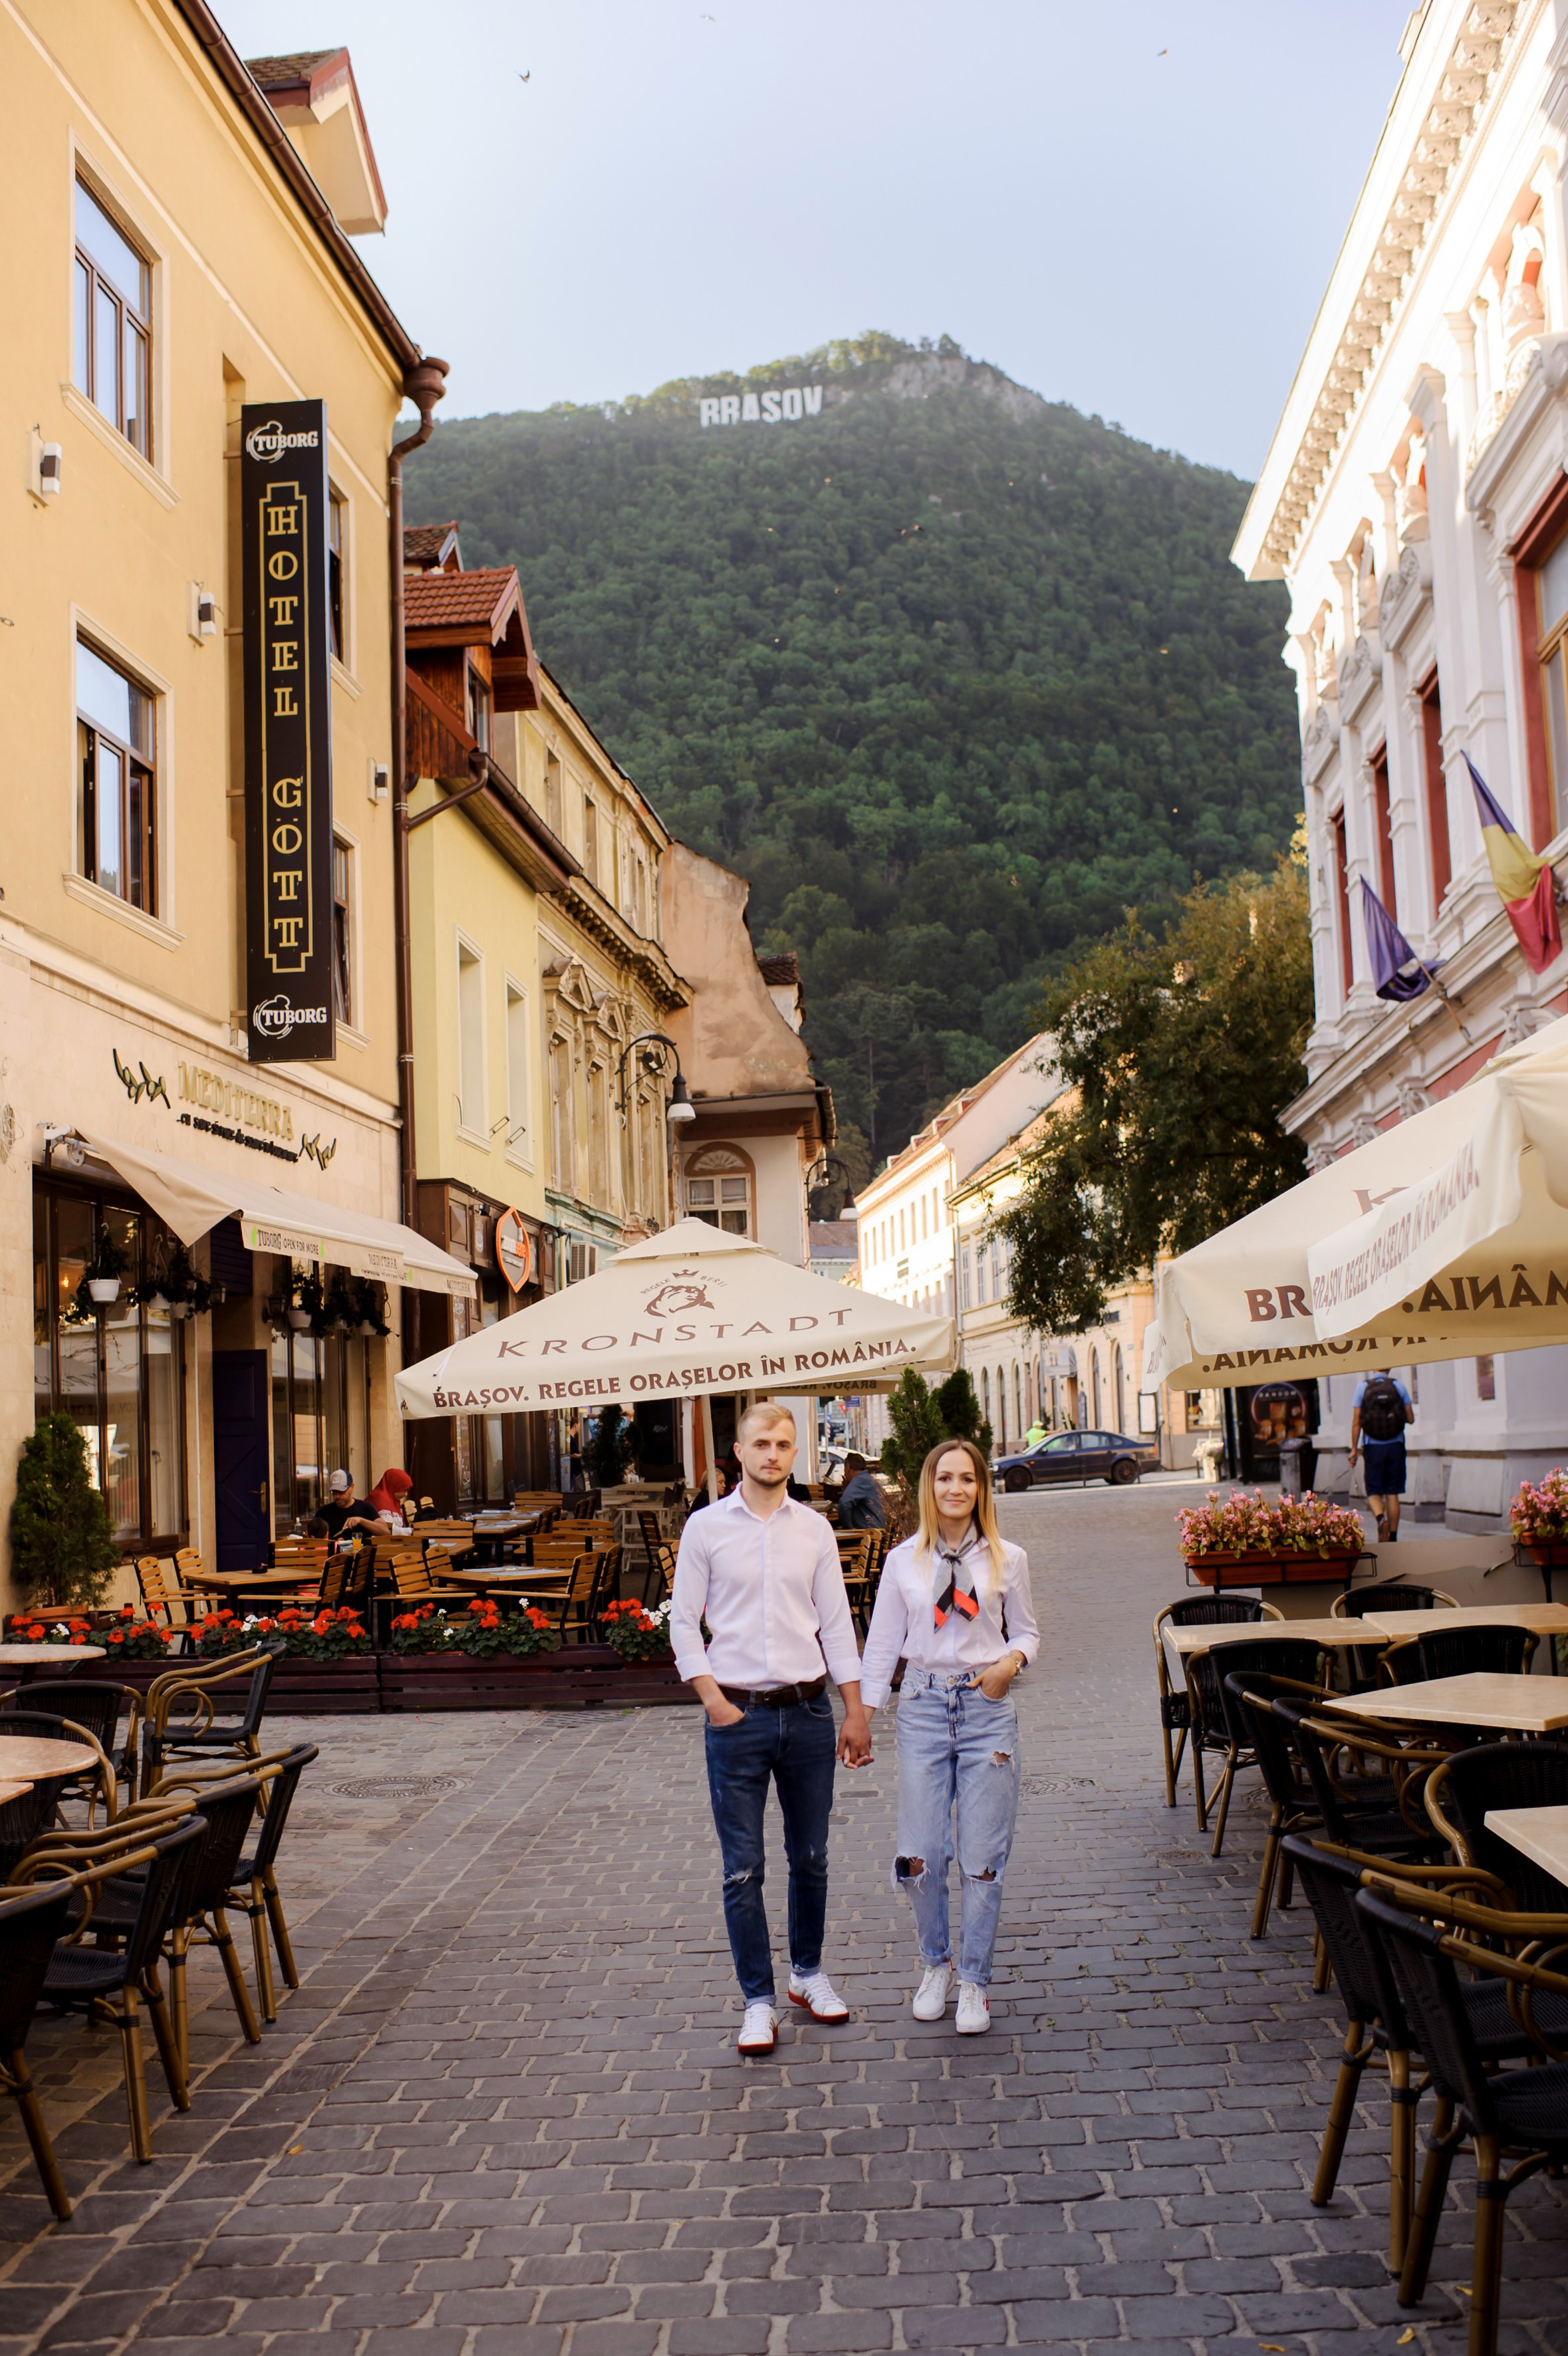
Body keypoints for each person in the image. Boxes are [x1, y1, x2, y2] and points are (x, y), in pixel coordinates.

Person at [670, 1400, 872, 2055]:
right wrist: (711, 1698)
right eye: (762, 1443)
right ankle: (757, 2000)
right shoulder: (705, 1528)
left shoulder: (812, 1529)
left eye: (784, 1444)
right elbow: (683, 1622)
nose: (773, 1454)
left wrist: (856, 1709)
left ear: (795, 1452)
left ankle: (807, 1975)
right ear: (739, 1449)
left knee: (811, 1858)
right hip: (737, 1718)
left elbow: (837, 1623)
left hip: (810, 1712)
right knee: (743, 1869)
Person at [858, 1438, 1039, 2035]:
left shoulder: (1008, 1558)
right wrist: (863, 1713)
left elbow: (1028, 1633)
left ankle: (975, 1983)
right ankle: (935, 1963)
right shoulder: (904, 1560)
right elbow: (883, 1644)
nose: (955, 1489)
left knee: (984, 1858)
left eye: (967, 1479)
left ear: (981, 1488)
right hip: (923, 1708)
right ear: (928, 1488)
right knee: (922, 1853)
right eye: (944, 1479)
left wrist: (1008, 1666)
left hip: (986, 1708)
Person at [1349, 1369, 1414, 1542]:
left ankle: (1380, 1519)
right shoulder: (1398, 1386)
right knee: (1392, 1493)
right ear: (1389, 1369)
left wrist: (1354, 1449)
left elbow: (1357, 1422)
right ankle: (1393, 1536)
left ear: (1373, 1369)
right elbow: (1410, 1418)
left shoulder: (1362, 1388)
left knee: (1374, 1492)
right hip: (1396, 1446)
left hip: (1373, 1447)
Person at [317, 1470, 382, 1542]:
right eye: (334, 1493)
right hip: (333, 1552)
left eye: (342, 1492)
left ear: (352, 1487)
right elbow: (313, 1537)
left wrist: (361, 1521)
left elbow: (385, 1531)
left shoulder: (365, 1507)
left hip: (360, 1551)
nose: (337, 1496)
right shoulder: (324, 1512)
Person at [835, 1452, 886, 1531]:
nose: (844, 1474)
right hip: (877, 1529)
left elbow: (844, 1504)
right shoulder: (867, 1478)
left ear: (848, 1467)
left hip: (868, 1533)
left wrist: (848, 1528)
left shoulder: (859, 1480)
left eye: (844, 1469)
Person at [364, 1467, 415, 1531]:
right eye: (404, 1490)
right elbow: (388, 1529)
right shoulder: (380, 1500)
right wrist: (411, 1531)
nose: (406, 1494)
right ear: (396, 1486)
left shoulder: (393, 1501)